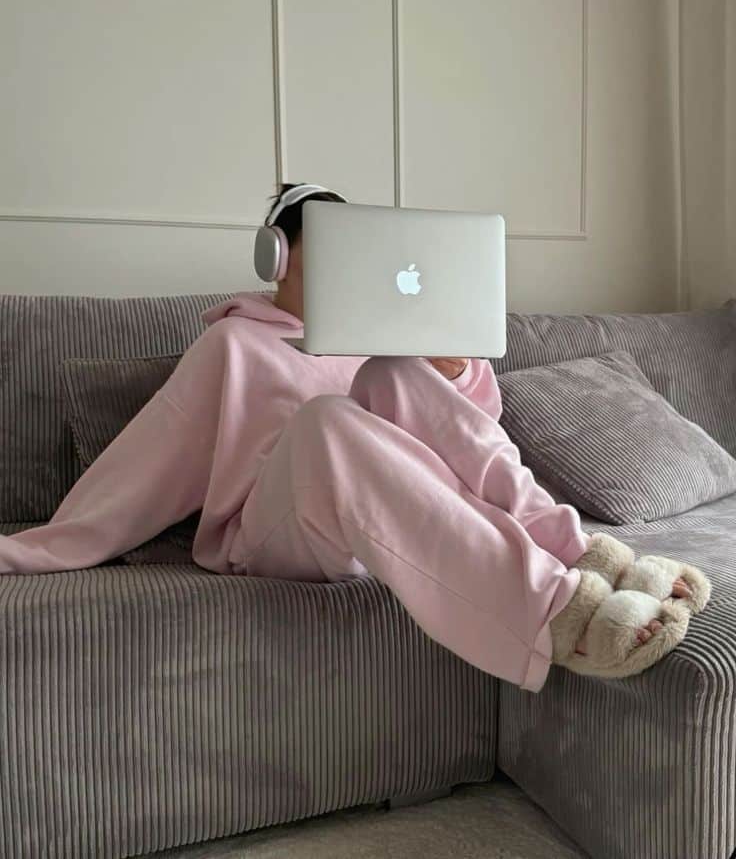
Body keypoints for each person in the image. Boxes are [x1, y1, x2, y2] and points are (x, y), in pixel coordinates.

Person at [0, 183, 712, 692]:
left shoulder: (384, 347)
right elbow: (149, 462)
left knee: (394, 371)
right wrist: (39, 546)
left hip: (397, 526)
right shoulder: (232, 348)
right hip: (274, 533)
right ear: (275, 255)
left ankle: (584, 555)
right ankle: (555, 616)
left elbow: (476, 440)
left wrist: (457, 368)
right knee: (329, 423)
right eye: (330, 249)